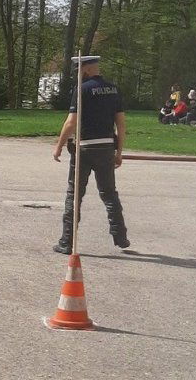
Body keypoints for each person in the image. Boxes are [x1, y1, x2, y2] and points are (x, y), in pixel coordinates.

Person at [51, 56, 129, 254]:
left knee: (74, 194)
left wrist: (59, 146)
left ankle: (67, 241)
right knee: (109, 193)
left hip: (84, 147)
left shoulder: (82, 89)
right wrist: (119, 152)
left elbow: (71, 122)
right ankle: (120, 236)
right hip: (106, 147)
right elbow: (120, 123)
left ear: (84, 70)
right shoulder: (113, 89)